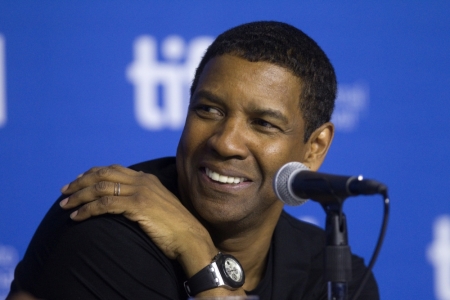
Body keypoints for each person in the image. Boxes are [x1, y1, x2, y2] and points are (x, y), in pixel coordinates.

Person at [8, 21, 379, 299]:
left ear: (313, 148)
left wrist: (196, 248)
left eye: (263, 124)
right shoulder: (104, 233)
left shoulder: (328, 274)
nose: (226, 142)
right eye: (209, 110)